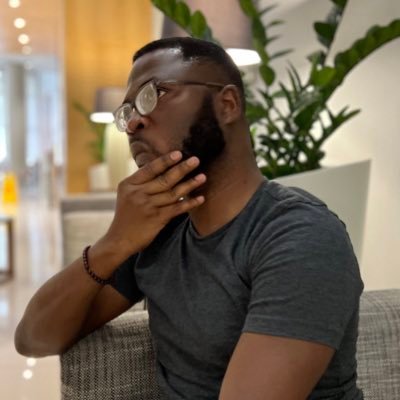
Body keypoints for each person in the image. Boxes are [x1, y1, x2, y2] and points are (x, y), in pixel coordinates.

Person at [15, 37, 364, 400]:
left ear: (227, 104)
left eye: (154, 94)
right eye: (127, 111)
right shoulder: (162, 230)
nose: (133, 122)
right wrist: (113, 244)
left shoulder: (300, 236)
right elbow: (34, 339)